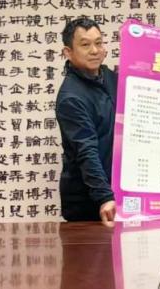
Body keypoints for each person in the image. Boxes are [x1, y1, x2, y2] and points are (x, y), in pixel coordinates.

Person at [55, 16, 118, 222]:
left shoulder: (111, 78)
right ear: (68, 52)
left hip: (118, 192)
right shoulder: (71, 97)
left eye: (98, 43)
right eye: (85, 45)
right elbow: (86, 151)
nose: (94, 50)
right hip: (90, 204)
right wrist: (104, 198)